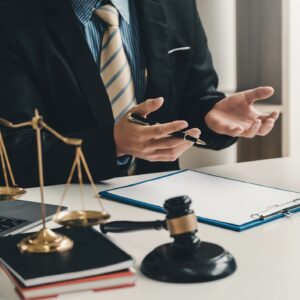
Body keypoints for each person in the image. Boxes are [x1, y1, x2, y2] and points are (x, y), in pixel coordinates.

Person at [0, 0, 278, 187]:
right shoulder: (11, 17)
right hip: (63, 215)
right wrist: (114, 143)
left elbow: (194, 98)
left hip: (161, 205)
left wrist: (210, 115)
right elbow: (14, 152)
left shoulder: (176, 5)